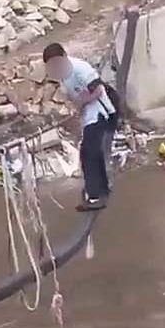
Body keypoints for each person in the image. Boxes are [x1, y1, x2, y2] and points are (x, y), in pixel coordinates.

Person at [42, 42, 118, 211]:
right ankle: (102, 189)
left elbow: (97, 90)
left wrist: (81, 102)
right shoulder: (63, 76)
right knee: (93, 152)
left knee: (88, 153)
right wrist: (76, 107)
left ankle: (95, 196)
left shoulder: (80, 69)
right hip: (89, 116)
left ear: (64, 58)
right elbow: (75, 96)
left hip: (102, 113)